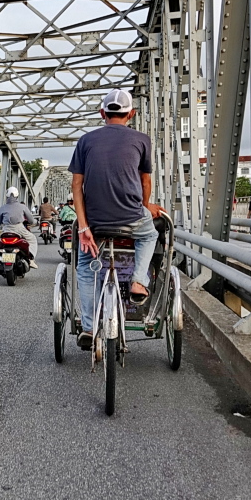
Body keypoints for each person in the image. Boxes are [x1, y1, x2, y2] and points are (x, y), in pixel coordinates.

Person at [69, 88, 163, 350]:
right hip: (132, 219)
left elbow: (77, 185)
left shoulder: (86, 141)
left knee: (86, 268)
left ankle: (88, 328)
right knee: (150, 234)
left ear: (102, 114)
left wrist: (84, 227)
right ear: (130, 114)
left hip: (96, 223)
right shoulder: (141, 139)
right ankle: (138, 281)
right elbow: (145, 181)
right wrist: (146, 207)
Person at [0, 187, 38, 269]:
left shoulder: (2, 208)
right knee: (32, 239)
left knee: (1, 243)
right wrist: (34, 222)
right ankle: (31, 259)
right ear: (17, 196)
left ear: (7, 196)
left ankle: (2, 259)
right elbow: (31, 220)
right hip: (19, 228)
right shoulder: (22, 206)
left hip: (6, 229)